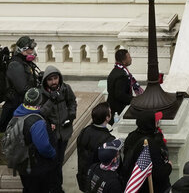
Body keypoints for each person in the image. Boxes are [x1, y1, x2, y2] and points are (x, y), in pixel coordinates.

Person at [10, 87, 57, 192]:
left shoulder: (18, 113)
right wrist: (53, 153)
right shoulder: (37, 122)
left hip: (22, 163)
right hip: (36, 167)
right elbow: (44, 147)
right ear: (40, 101)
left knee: (27, 188)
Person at [39, 65, 77, 193]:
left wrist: (71, 115)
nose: (54, 82)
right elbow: (41, 113)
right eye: (50, 79)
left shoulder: (66, 89)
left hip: (64, 132)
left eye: (55, 78)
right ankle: (54, 187)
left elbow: (72, 102)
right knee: (52, 162)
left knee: (59, 161)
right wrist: (52, 99)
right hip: (52, 135)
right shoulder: (42, 94)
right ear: (46, 81)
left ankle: (57, 186)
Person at [121, 111, 172, 193]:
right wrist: (169, 166)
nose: (157, 123)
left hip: (137, 186)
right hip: (153, 187)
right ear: (150, 123)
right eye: (155, 121)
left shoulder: (131, 137)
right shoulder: (153, 142)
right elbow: (159, 174)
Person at [0, 36, 40, 132]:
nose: (32, 52)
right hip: (15, 108)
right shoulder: (15, 64)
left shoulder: (25, 62)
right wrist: (38, 93)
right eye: (30, 49)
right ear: (22, 50)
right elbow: (23, 89)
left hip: (21, 105)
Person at [77, 102, 115, 192]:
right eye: (110, 112)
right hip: (97, 182)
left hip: (83, 176)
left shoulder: (84, 131)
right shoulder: (108, 140)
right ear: (107, 118)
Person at [106, 49, 142, 122]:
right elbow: (120, 95)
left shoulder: (117, 70)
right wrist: (134, 100)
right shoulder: (122, 75)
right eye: (129, 57)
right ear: (124, 60)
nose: (131, 58)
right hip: (118, 110)